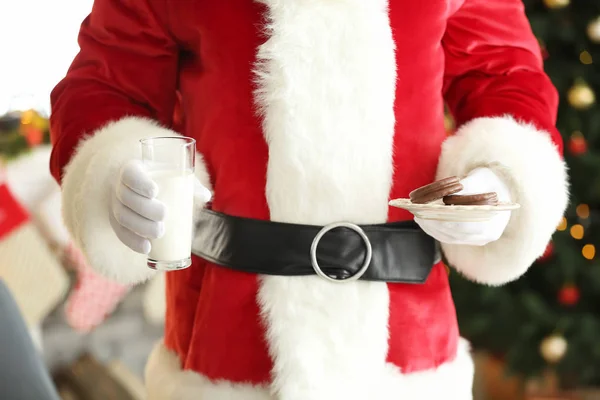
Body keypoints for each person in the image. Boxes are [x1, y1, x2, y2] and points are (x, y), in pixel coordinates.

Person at [49, 0, 569, 399]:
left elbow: (503, 70)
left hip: (406, 348)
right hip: (226, 342)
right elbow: (107, 80)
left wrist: (504, 178)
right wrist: (115, 173)